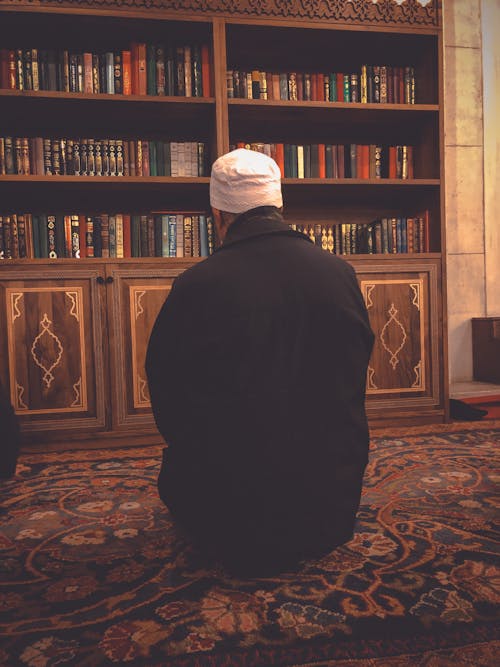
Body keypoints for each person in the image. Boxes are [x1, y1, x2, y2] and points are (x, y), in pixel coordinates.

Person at [146, 148, 374, 576]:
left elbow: (167, 393)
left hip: (234, 520)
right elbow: (353, 375)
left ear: (218, 213)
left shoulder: (197, 284)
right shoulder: (339, 272)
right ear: (277, 204)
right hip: (329, 508)